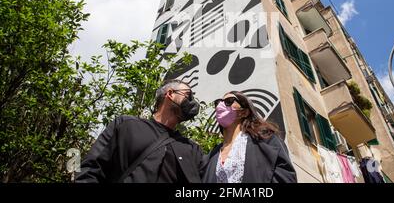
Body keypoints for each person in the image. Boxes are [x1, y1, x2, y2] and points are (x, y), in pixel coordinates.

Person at [75, 79, 203, 183]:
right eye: (188, 95)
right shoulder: (126, 126)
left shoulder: (191, 149)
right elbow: (90, 169)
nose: (192, 102)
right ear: (170, 94)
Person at [202, 91, 297, 183]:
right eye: (218, 102)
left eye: (229, 101)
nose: (220, 105)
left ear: (244, 112)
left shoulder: (266, 140)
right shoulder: (212, 155)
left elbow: (285, 176)